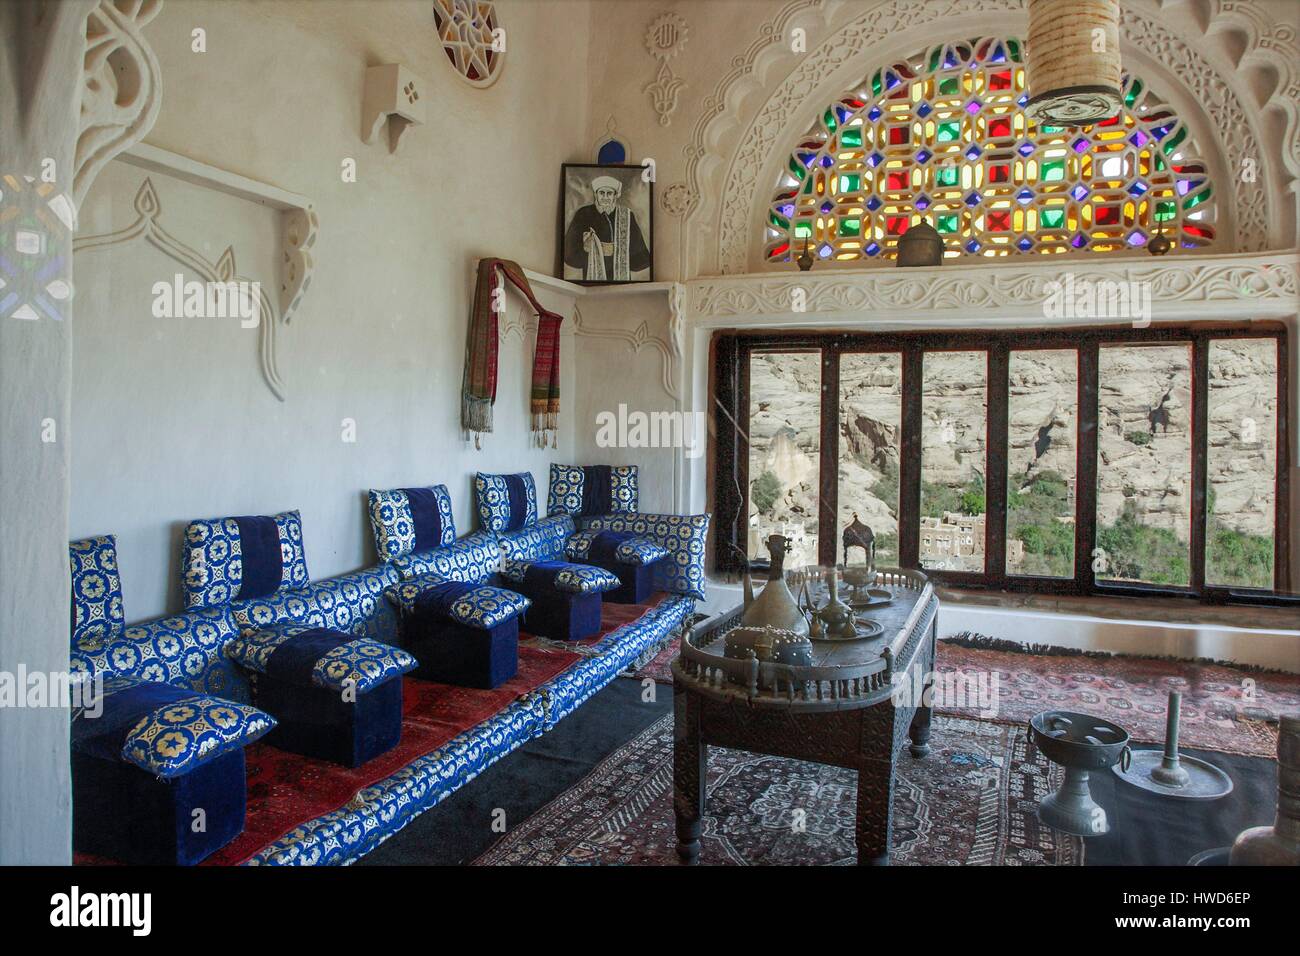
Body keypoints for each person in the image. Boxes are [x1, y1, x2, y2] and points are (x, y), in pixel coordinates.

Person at [563, 175, 650, 281]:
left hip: (621, 283)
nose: (605, 197)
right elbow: (569, 254)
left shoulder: (627, 215)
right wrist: (586, 249)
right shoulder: (583, 214)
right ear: (596, 194)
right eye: (601, 193)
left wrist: (621, 250)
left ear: (615, 196)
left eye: (609, 193)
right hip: (591, 281)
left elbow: (640, 256)